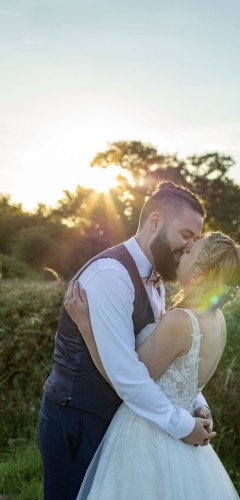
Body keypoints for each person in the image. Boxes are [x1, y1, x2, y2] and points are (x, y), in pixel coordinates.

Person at [38, 181, 215, 500]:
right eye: (186, 236)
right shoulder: (112, 275)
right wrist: (183, 426)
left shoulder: (157, 281)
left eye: (195, 240)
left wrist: (197, 405)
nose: (189, 247)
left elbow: (166, 362)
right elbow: (126, 374)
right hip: (80, 419)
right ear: (156, 221)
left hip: (125, 421)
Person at [67, 231, 240, 499]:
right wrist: (201, 405)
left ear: (199, 275)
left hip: (148, 434)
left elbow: (127, 380)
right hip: (184, 434)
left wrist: (87, 328)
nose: (183, 249)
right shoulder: (216, 319)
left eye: (190, 252)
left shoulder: (179, 321)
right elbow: (187, 376)